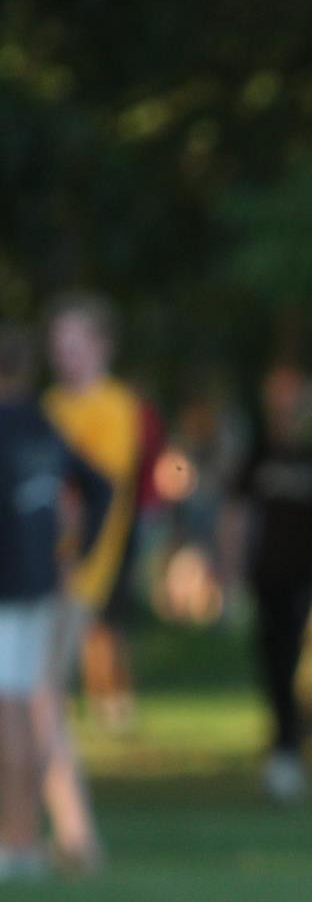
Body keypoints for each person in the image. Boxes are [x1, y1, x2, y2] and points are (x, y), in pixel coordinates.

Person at [0, 325, 111, 880]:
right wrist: (76, 554)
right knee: (21, 704)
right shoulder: (43, 425)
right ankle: (20, 840)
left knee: (10, 710)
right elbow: (101, 485)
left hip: (8, 586)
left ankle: (17, 842)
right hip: (40, 584)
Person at [37, 294, 143, 872]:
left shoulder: (113, 406)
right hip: (29, 574)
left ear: (102, 345)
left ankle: (75, 833)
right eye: (59, 342)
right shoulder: (47, 405)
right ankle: (55, 830)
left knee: (41, 697)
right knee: (31, 699)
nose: (65, 353)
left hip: (75, 577)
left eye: (76, 341)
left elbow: (94, 492)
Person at [222, 368, 312, 804]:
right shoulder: (258, 454)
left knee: (301, 662)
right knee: (273, 662)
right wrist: (230, 574)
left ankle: (291, 748)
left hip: (309, 579)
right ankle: (283, 751)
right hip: (267, 577)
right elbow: (236, 517)